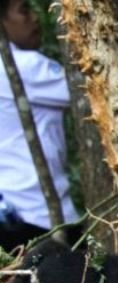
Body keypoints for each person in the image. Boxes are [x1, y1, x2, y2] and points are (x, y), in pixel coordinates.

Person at [0, 0, 79, 251]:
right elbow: (91, 90)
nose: (35, 18)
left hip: (12, 208)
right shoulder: (24, 66)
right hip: (37, 214)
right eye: (24, 10)